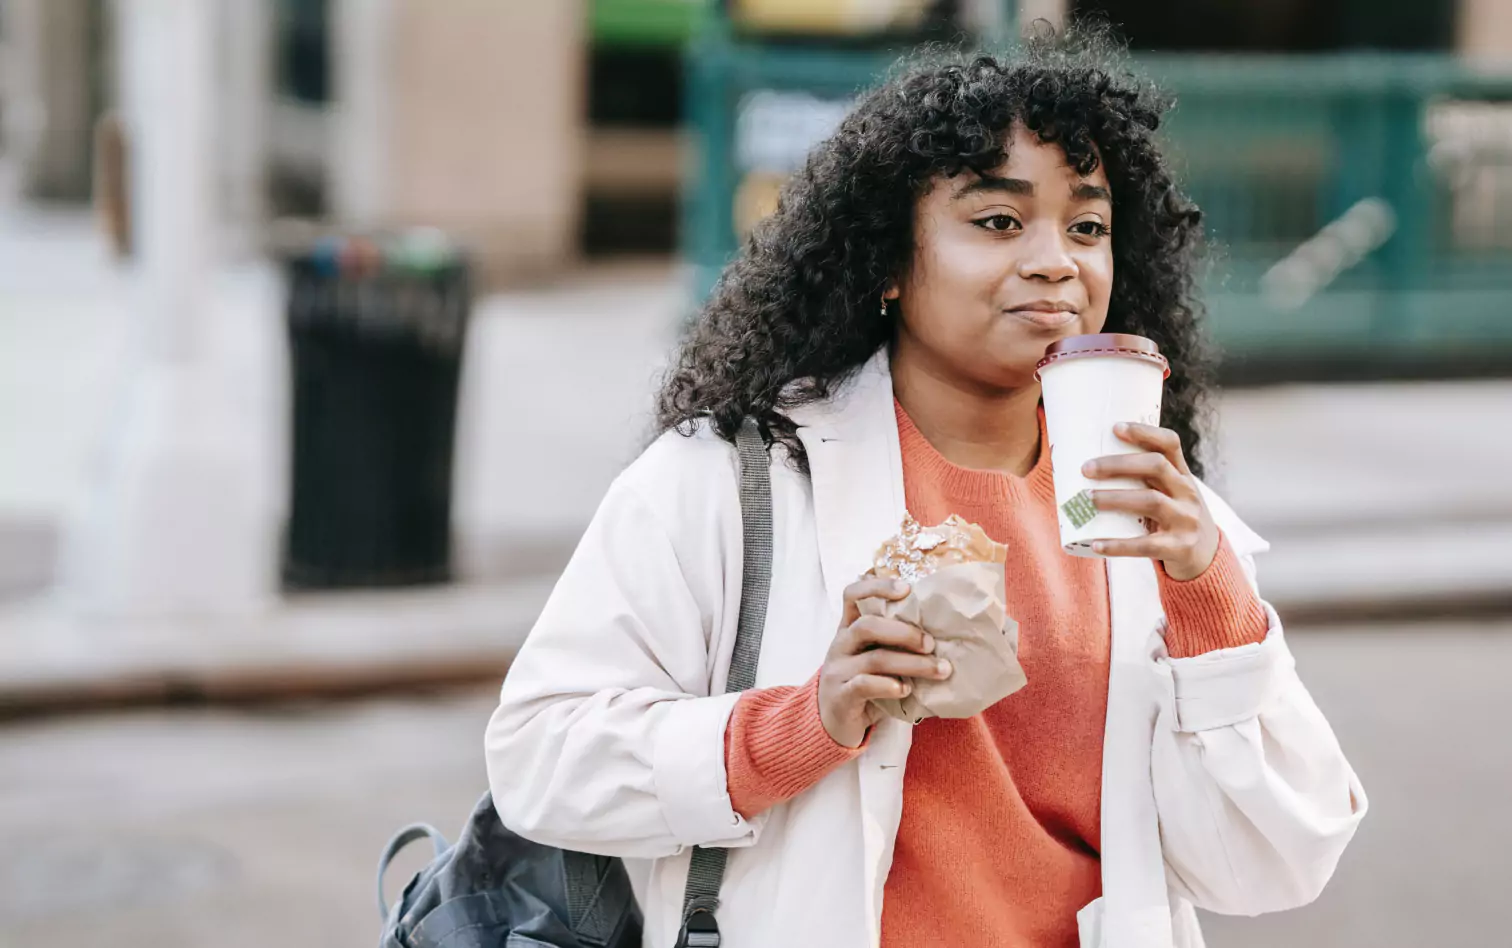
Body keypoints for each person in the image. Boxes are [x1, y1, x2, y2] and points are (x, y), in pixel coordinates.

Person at [485, 34, 1366, 948]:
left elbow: (1282, 856)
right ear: (890, 264)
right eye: (998, 222)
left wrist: (1209, 594)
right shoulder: (734, 477)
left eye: (1088, 227)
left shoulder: (1164, 520)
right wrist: (804, 721)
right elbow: (540, 761)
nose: (1056, 262)